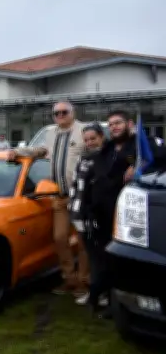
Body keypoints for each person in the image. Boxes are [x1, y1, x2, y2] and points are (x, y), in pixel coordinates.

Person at [82, 109, 166, 316]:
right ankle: (99, 295)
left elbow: (155, 160)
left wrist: (140, 164)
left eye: (118, 123)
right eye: (110, 125)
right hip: (99, 213)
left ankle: (115, 304)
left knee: (119, 262)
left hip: (124, 217)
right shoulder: (107, 149)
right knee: (101, 258)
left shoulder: (137, 147)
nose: (114, 127)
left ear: (129, 124)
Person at [8, 100, 85, 294]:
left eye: (63, 112)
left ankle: (85, 283)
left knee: (84, 241)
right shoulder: (51, 133)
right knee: (59, 238)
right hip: (59, 196)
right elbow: (41, 150)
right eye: (56, 113)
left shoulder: (84, 131)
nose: (60, 116)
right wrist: (17, 152)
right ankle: (70, 279)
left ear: (72, 112)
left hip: (82, 196)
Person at [68, 122, 105, 304]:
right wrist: (72, 207)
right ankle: (94, 292)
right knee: (90, 255)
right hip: (79, 214)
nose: (90, 142)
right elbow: (75, 184)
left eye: (93, 138)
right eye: (86, 140)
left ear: (102, 138)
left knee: (100, 256)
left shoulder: (108, 158)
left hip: (97, 216)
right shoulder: (82, 159)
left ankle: (102, 294)